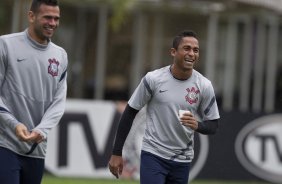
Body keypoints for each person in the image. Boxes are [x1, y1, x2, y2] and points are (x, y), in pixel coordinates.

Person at [108, 30, 220, 184]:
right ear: (173, 52)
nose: (192, 54)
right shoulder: (153, 79)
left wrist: (197, 125)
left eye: (196, 50)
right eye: (186, 48)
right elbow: (129, 112)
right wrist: (116, 152)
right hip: (153, 155)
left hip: (182, 159)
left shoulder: (204, 85)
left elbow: (213, 125)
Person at [0, 0, 67, 184]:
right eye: (47, 17)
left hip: (36, 148)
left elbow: (58, 102)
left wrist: (41, 130)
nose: (52, 23)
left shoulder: (60, 55)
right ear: (31, 16)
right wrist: (14, 124)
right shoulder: (5, 45)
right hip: (5, 144)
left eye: (56, 18)